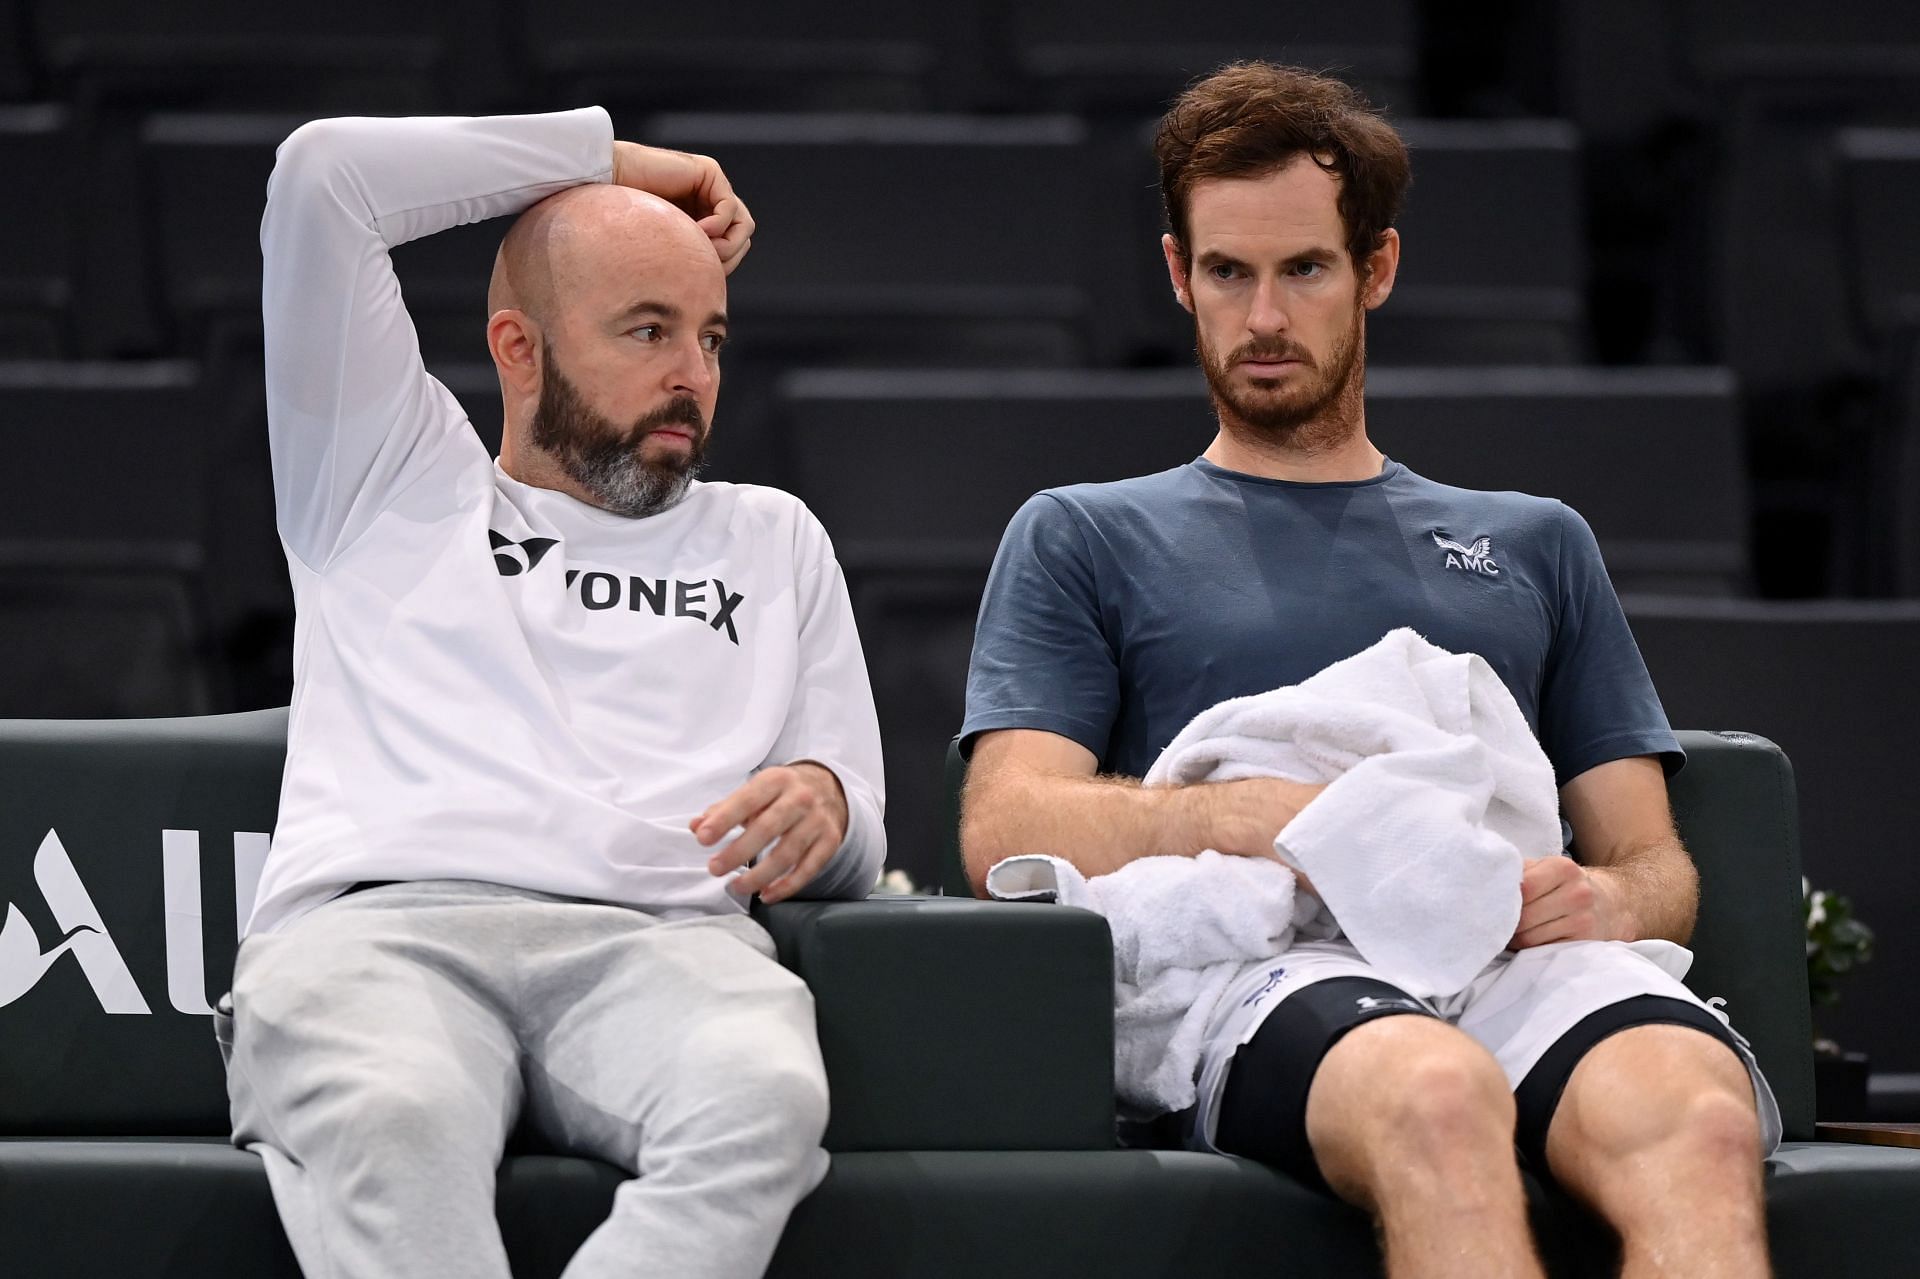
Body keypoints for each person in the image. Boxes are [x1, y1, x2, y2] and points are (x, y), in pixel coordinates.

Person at [960, 63, 1777, 1279]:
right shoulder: (1084, 530)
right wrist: (1261, 819)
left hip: (1516, 956)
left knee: (1701, 1116)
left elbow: (1654, 863)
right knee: (1437, 1096)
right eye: (1228, 274)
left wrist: (1607, 904)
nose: (1266, 318)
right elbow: (1003, 825)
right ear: (1180, 276)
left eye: (1305, 270)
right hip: (1271, 963)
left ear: (1375, 270)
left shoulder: (1536, 541)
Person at [217, 108, 885, 1279]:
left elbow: (852, 830)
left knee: (765, 1098)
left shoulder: (773, 539)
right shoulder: (381, 478)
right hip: (383, 933)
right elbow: (323, 177)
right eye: (648, 330)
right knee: (397, 1117)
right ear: (518, 348)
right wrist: (608, 161)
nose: (694, 375)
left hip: (666, 946)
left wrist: (823, 806)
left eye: (712, 337)